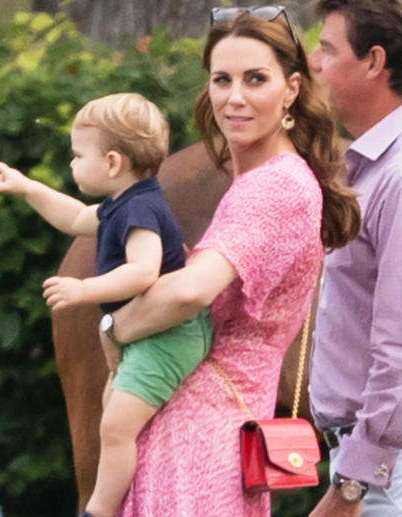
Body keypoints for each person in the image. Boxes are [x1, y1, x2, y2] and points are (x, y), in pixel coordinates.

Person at [99, 6, 360, 515]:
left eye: (255, 79)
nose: (234, 97)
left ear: (290, 90)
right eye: (222, 79)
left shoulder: (276, 185)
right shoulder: (262, 180)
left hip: (202, 443)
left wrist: (113, 328)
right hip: (193, 430)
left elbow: (190, 291)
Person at [0, 93, 213, 517]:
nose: (71, 164)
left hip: (167, 336)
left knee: (114, 426)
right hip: (145, 332)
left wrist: (84, 290)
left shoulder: (142, 209)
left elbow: (143, 271)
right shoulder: (120, 204)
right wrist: (29, 188)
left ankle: (101, 510)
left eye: (76, 155)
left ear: (112, 163)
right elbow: (74, 219)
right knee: (114, 413)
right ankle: (132, 498)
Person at [306, 1, 402, 516]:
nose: (315, 63)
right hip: (389, 463)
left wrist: (353, 484)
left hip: (396, 473)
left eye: (327, 48)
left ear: (373, 61)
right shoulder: (382, 165)